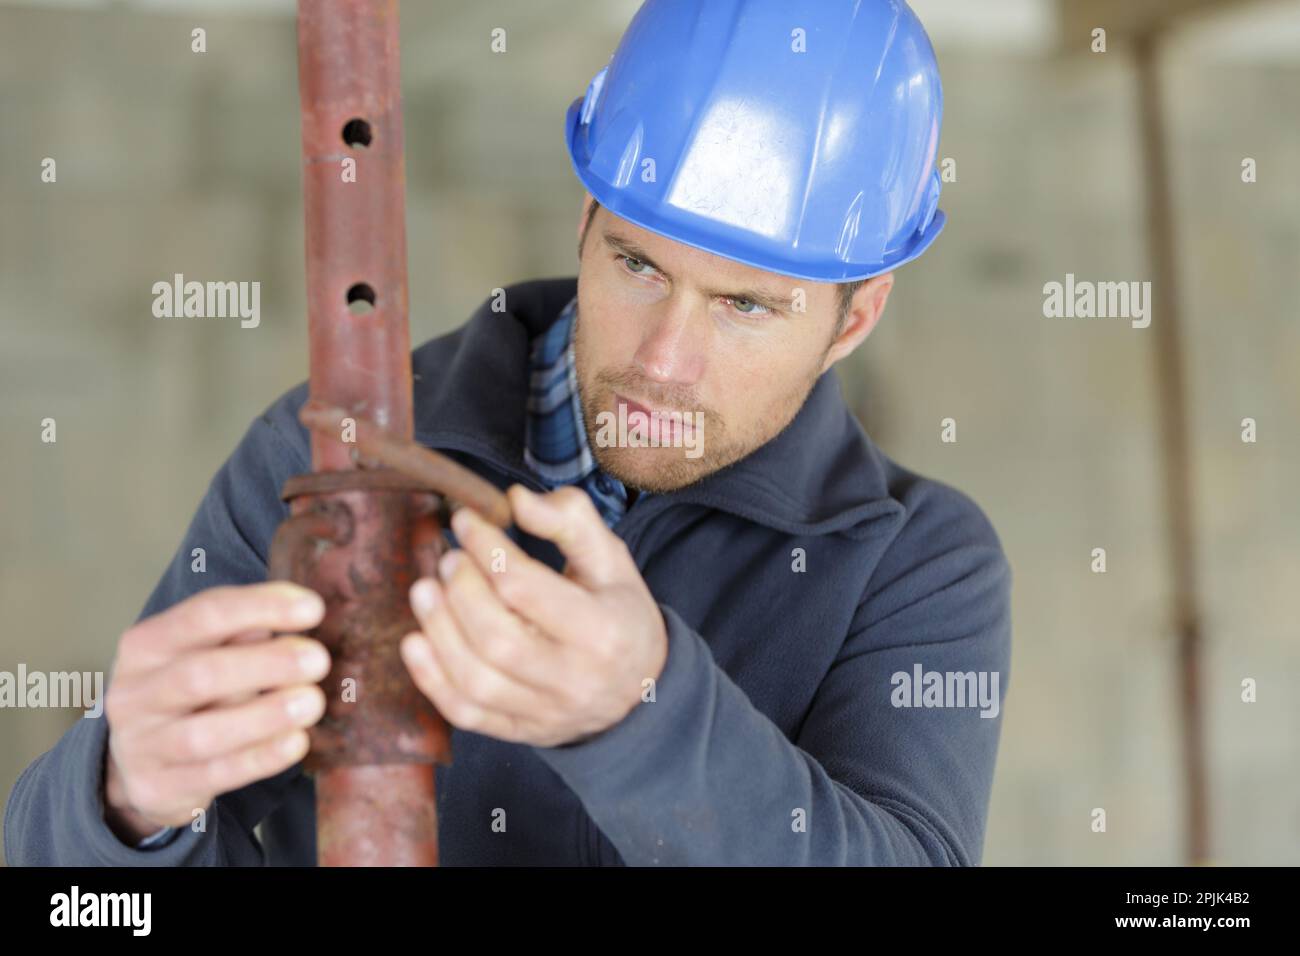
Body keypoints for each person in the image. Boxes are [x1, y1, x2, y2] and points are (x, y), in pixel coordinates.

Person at [5, 0, 1010, 866]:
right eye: (637, 264)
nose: (663, 357)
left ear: (857, 315)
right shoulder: (331, 450)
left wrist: (638, 716)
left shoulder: (913, 560)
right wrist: (121, 804)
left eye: (745, 307)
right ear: (586, 216)